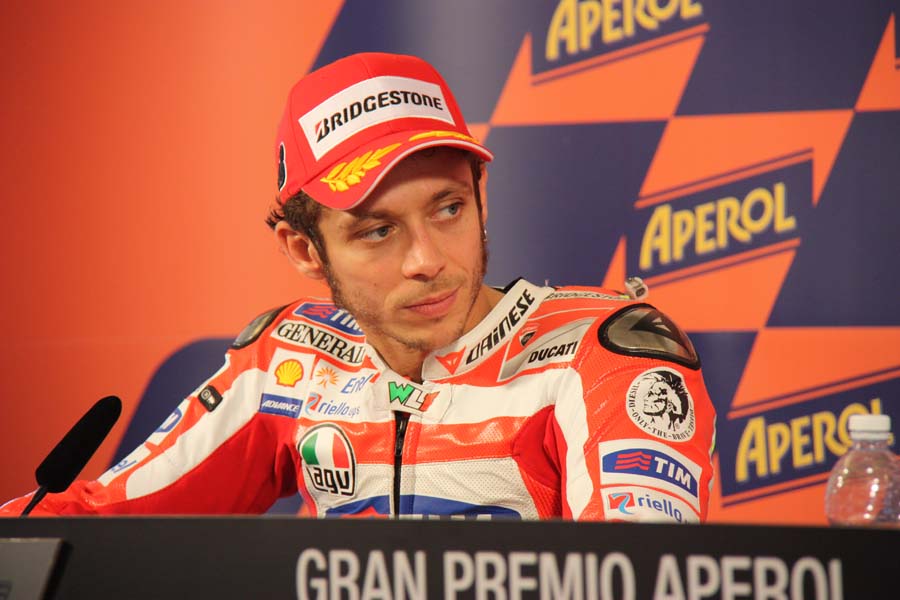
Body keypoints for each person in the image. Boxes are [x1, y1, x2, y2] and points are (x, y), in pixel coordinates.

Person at [1, 52, 715, 521]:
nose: (426, 260)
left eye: (448, 208)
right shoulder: (288, 360)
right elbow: (97, 521)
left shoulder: (604, 357)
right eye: (377, 231)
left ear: (481, 196)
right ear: (304, 249)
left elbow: (644, 577)